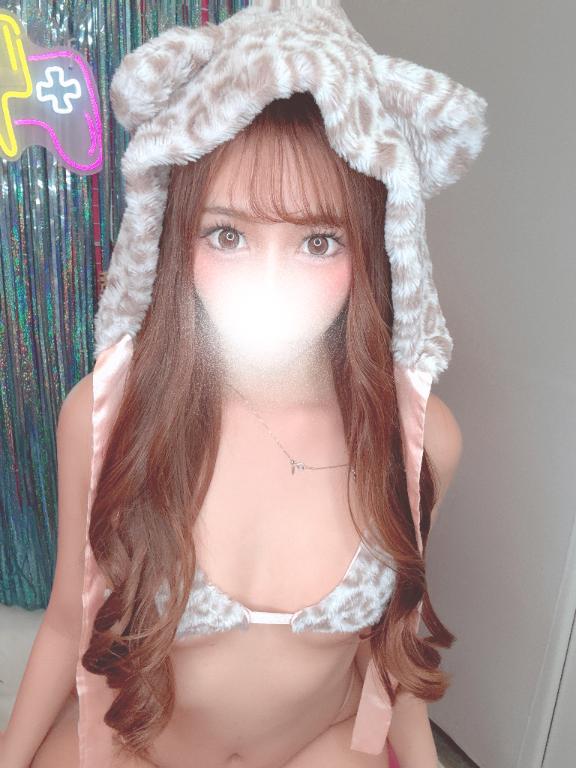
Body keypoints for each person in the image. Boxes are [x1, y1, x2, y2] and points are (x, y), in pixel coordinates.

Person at [0, 2, 487, 767]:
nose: (270, 283)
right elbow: (68, 620)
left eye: (318, 241)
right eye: (227, 235)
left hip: (320, 751)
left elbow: (392, 648)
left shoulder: (421, 437)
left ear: (377, 248)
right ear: (175, 237)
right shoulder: (103, 415)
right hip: (138, 745)